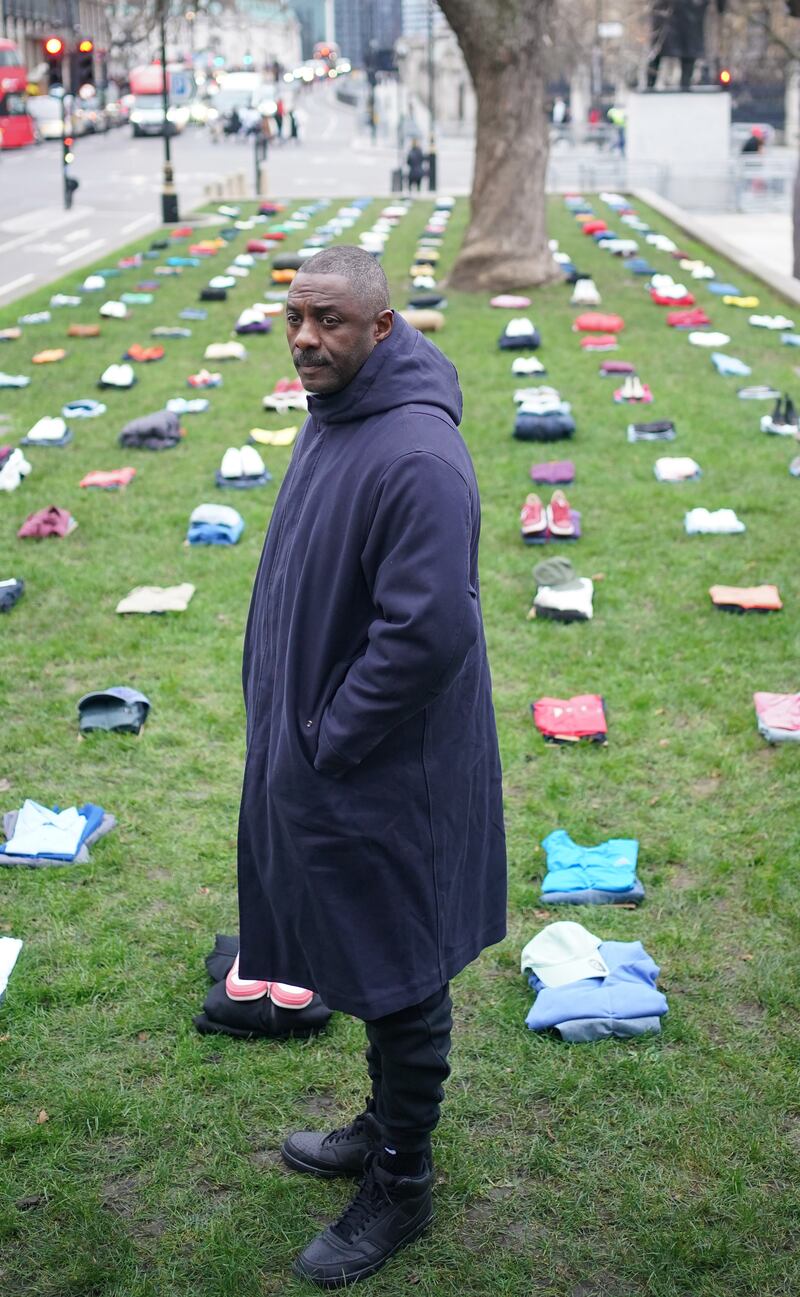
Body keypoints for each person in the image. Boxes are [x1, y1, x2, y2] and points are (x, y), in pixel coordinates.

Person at [237, 245, 507, 1287]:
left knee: (400, 972)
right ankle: (377, 1119)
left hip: (386, 770)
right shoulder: (336, 416)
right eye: (295, 317)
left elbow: (426, 631)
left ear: (383, 329)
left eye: (331, 321)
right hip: (328, 758)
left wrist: (331, 736)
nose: (306, 338)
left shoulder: (412, 456)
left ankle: (403, 1178)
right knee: (363, 948)